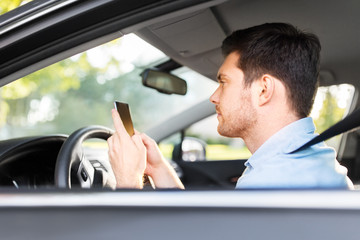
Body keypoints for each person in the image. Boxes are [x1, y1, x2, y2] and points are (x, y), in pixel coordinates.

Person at [107, 22, 353, 189]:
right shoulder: (307, 160)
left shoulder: (274, 181)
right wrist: (159, 168)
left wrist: (128, 181)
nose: (214, 96)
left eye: (223, 82)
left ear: (263, 90)